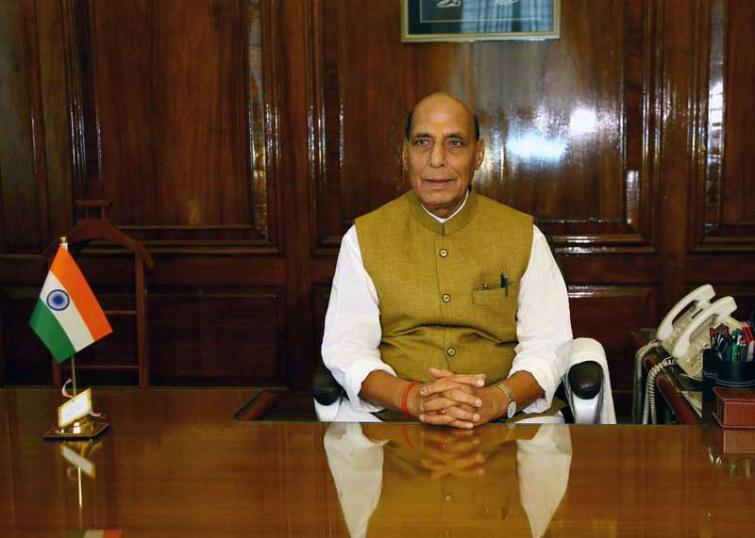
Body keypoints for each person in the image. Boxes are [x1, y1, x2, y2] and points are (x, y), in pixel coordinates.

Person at [322, 92, 572, 428]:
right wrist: (412, 398)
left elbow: (548, 345)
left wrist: (495, 400)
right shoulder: (363, 238)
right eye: (422, 142)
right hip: (392, 418)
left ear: (478, 154)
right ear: (405, 153)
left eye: (454, 143)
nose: (436, 159)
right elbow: (347, 348)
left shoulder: (524, 235)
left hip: (507, 418)